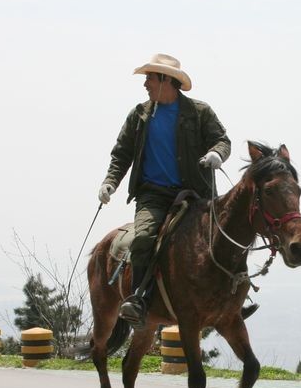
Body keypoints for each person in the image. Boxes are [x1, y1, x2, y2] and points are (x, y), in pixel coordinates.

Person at [97, 53, 257, 328]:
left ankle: (232, 303)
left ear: (165, 80)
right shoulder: (139, 115)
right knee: (145, 237)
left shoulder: (199, 112)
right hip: (153, 195)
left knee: (222, 238)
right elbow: (121, 154)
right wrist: (110, 181)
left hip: (196, 193)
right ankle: (138, 300)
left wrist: (217, 154)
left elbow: (222, 140)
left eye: (149, 78)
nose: (145, 83)